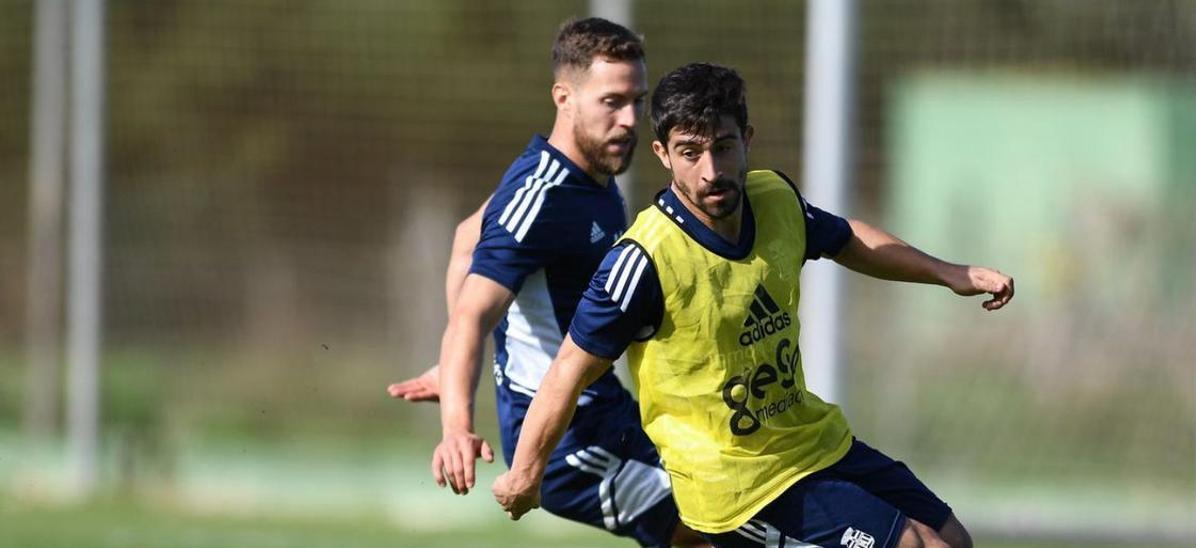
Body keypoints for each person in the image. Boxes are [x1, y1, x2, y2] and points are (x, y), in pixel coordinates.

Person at [493, 62, 1015, 548]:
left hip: (809, 441)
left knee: (952, 537)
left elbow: (846, 239)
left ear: (747, 139)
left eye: (723, 147)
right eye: (691, 152)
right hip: (737, 483)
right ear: (663, 154)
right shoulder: (642, 261)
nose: (710, 170)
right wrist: (525, 473)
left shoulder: (775, 200)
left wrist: (950, 274)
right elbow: (566, 369)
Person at [386, 18, 706, 547]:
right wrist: (456, 426)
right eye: (612, 102)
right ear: (565, 97)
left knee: (722, 517)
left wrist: (451, 365)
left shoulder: (586, 178)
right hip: (565, 444)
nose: (630, 120)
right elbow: (472, 313)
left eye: (637, 101)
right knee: (709, 528)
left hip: (606, 412)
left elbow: (468, 237)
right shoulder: (542, 195)